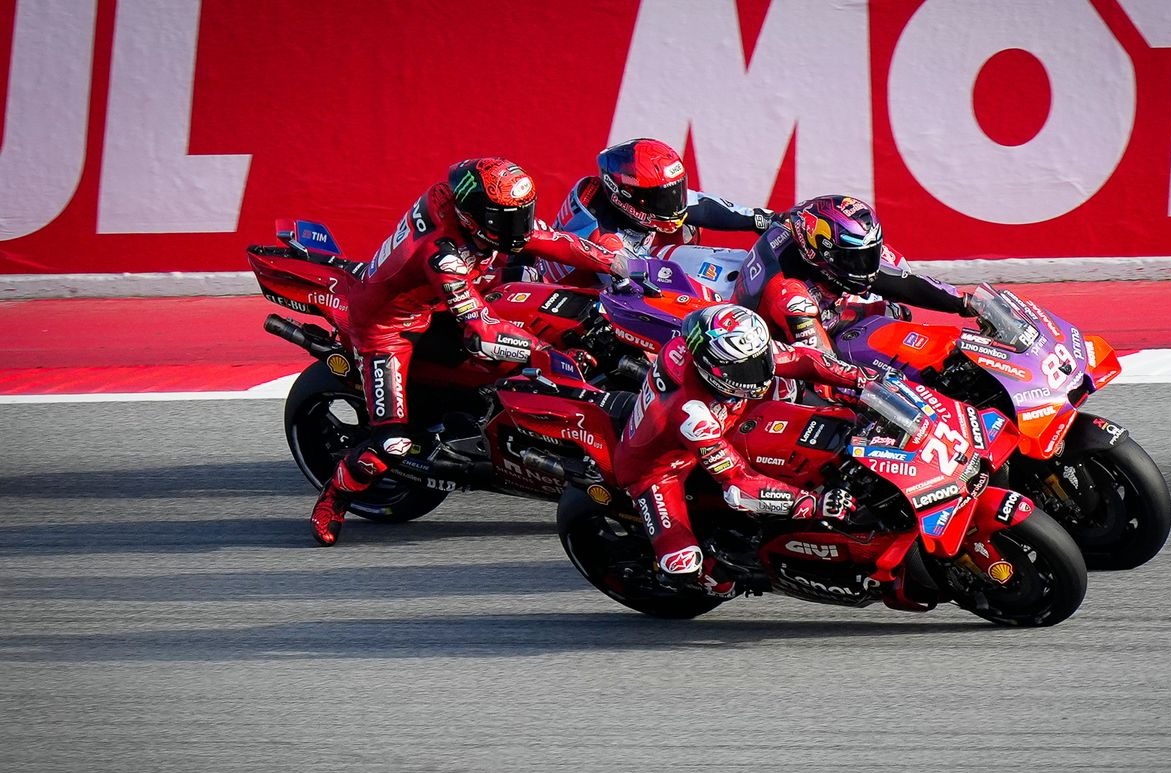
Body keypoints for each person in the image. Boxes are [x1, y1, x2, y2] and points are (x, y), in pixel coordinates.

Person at [310, 157, 634, 547]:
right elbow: (481, 331)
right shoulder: (444, 256)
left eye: (522, 213)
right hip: (389, 328)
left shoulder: (477, 213)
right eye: (507, 218)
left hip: (440, 301)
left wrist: (623, 265)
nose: (520, 225)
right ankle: (335, 497)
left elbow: (551, 240)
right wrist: (541, 353)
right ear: (475, 215)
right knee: (391, 443)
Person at [613, 304, 871, 597]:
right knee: (683, 565)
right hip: (660, 469)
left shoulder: (726, 347)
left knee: (791, 395)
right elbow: (738, 485)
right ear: (714, 369)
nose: (761, 370)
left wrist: (861, 379)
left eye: (759, 359)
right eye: (748, 368)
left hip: (726, 417)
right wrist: (812, 503)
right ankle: (716, 573)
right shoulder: (692, 414)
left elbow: (801, 358)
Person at [732, 195, 976, 354]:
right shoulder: (790, 294)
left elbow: (901, 283)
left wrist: (965, 302)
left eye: (868, 255)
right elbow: (823, 366)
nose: (866, 267)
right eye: (854, 258)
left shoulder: (812, 243)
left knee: (895, 310)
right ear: (820, 251)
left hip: (827, 308)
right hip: (780, 346)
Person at [541, 137, 773, 285]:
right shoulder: (602, 234)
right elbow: (645, 287)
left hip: (636, 258)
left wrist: (761, 219)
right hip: (586, 294)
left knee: (685, 225)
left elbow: (700, 204)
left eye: (675, 192)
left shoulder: (635, 202)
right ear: (625, 194)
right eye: (662, 199)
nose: (673, 204)